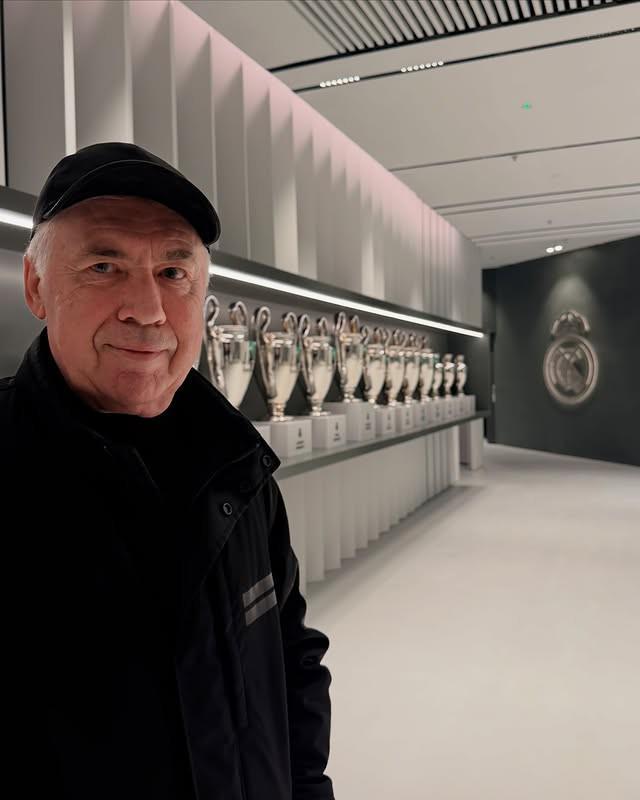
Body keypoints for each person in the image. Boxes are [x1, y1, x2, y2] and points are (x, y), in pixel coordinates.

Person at [0, 142, 334, 800]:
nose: (147, 308)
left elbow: (291, 660)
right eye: (104, 266)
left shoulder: (239, 470)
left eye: (173, 273)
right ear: (36, 287)